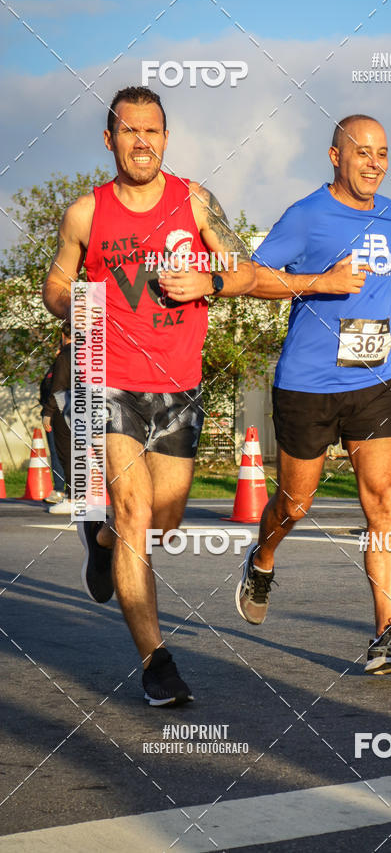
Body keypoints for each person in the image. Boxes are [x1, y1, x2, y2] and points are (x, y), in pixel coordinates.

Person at [43, 86, 255, 705]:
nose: (142, 142)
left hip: (178, 382)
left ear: (166, 137)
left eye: (152, 131)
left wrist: (209, 280)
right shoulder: (87, 213)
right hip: (107, 376)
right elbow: (56, 286)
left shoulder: (195, 201)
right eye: (130, 131)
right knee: (135, 508)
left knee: (164, 518)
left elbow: (244, 269)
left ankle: (101, 537)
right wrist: (76, 303)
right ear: (109, 139)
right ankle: (156, 662)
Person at [235, 115, 391, 675]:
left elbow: (376, 272)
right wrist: (320, 282)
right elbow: (253, 277)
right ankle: (262, 559)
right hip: (308, 384)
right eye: (362, 152)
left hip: (374, 377)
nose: (374, 163)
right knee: (295, 504)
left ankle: (386, 634)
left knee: (386, 501)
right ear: (335, 156)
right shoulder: (305, 216)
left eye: (383, 152)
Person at [41, 326, 72, 514]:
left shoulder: (66, 355)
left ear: (63, 335)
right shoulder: (91, 353)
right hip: (83, 409)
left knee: (66, 454)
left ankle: (73, 497)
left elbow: (57, 386)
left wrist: (48, 411)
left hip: (64, 409)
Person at [40, 346, 66, 505]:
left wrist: (49, 412)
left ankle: (67, 491)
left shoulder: (65, 367)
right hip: (53, 414)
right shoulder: (54, 368)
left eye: (59, 349)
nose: (56, 352)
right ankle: (59, 488)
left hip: (61, 415)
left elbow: (57, 391)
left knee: (65, 453)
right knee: (56, 453)